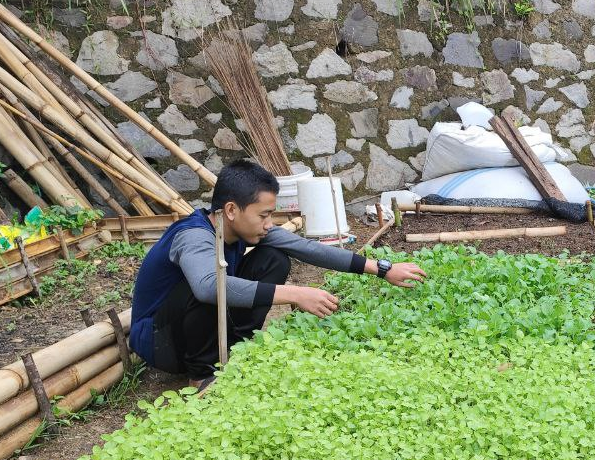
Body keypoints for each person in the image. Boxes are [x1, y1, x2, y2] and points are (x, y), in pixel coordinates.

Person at [129, 159, 425, 387]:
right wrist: (295, 293)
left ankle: (235, 351)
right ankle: (202, 377)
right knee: (211, 282)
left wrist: (382, 269)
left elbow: (306, 249)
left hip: (197, 330)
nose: (269, 223)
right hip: (162, 343)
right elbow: (207, 288)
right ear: (231, 210)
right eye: (264, 215)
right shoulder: (194, 236)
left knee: (275, 258)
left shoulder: (244, 229)